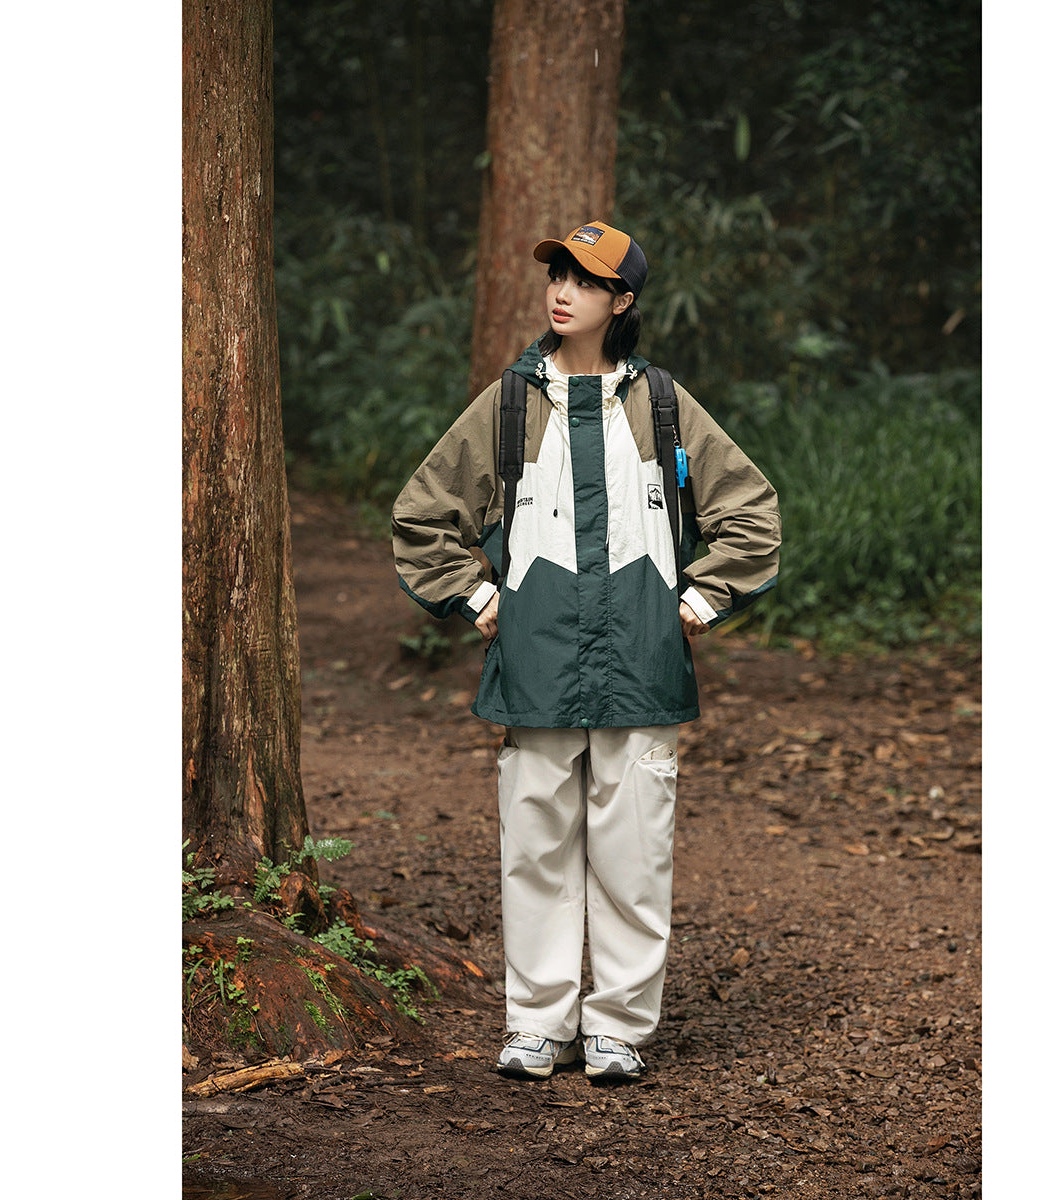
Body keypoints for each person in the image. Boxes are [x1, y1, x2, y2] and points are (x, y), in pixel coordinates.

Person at [391, 220, 780, 1080]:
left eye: (585, 280)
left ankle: (618, 1029)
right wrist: (477, 597)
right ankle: (537, 1023)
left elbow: (751, 512)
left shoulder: (662, 403)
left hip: (642, 662)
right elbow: (424, 514)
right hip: (536, 662)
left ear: (622, 299)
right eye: (557, 275)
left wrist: (700, 599)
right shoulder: (511, 402)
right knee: (534, 846)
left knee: (634, 850)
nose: (561, 292)